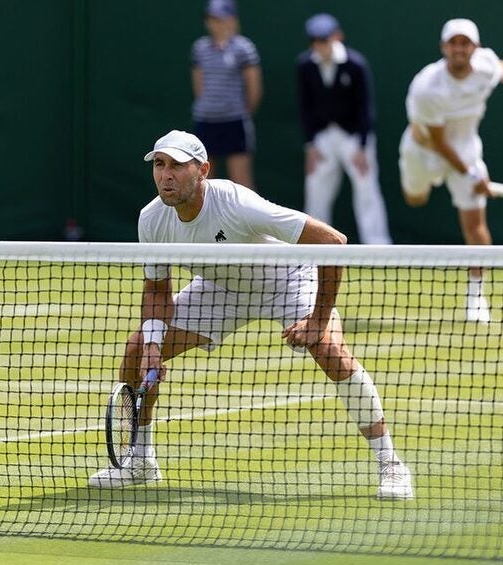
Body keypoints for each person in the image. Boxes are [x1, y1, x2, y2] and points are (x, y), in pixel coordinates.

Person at [87, 130, 414, 500]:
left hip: (285, 280)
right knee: (135, 351)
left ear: (203, 170)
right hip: (220, 287)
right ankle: (140, 460)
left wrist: (319, 319)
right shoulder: (152, 219)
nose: (166, 175)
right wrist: (152, 346)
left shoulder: (237, 203)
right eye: (160, 165)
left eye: (177, 165)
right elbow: (157, 290)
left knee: (330, 352)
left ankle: (390, 463)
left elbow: (332, 242)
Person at [398, 18, 503, 322]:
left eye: (465, 43)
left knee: (475, 224)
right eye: (453, 43)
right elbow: (439, 142)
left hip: (465, 147)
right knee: (415, 200)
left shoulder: (486, 66)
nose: (459, 49)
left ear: (475, 48)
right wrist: (472, 175)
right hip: (425, 151)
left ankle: (476, 297)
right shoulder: (428, 88)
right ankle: (430, 184)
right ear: (444, 48)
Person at [295, 13, 392, 245]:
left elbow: (365, 108)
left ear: (337, 37)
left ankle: (378, 247)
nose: (320, 46)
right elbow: (304, 107)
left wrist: (362, 147)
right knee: (316, 191)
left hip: (354, 138)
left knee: (366, 191)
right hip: (322, 139)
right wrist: (310, 145)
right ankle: (314, 247)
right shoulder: (305, 65)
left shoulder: (355, 64)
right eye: (315, 41)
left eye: (324, 40)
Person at [191, 0, 262, 189]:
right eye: (211, 19)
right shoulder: (200, 48)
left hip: (234, 122)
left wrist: (240, 111)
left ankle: (249, 220)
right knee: (204, 184)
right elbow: (198, 85)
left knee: (242, 184)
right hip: (205, 121)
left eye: (219, 18)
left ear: (231, 20)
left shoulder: (244, 48)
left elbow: (254, 88)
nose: (214, 23)